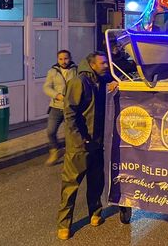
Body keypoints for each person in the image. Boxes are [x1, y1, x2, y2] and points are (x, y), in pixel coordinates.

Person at [57, 52, 118, 240]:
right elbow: (70, 114)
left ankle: (95, 213)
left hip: (97, 143)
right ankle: (64, 225)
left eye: (106, 62)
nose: (106, 65)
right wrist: (79, 139)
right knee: (71, 186)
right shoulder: (79, 82)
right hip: (80, 145)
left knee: (96, 181)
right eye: (103, 63)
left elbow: (117, 77)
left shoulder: (101, 80)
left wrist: (116, 83)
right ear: (92, 65)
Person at [43, 50, 77, 166]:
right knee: (50, 131)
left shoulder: (76, 70)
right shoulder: (53, 71)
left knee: (71, 133)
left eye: (66, 58)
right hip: (56, 107)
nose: (63, 61)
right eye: (61, 59)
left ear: (70, 58)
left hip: (71, 107)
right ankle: (55, 151)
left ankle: (71, 155)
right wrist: (56, 95)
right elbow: (46, 87)